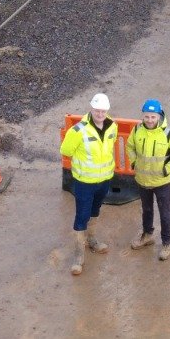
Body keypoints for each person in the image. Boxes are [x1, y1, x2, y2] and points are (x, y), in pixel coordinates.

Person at [59, 93, 118, 276]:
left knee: (95, 211)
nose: (100, 114)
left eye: (103, 111)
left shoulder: (112, 127)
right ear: (91, 109)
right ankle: (78, 255)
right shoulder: (78, 131)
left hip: (104, 179)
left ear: (107, 110)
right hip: (84, 182)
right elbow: (66, 150)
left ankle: (92, 240)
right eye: (96, 110)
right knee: (82, 215)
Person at [126, 98, 170, 261]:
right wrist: (133, 162)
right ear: (143, 116)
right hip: (142, 180)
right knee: (146, 210)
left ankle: (166, 242)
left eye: (153, 117)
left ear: (159, 116)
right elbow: (130, 146)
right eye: (147, 116)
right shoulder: (137, 130)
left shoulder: (169, 134)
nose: (150, 120)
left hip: (162, 183)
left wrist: (167, 169)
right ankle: (147, 235)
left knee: (165, 213)